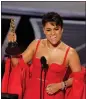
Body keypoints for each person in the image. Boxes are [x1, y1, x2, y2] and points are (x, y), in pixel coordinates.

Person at [2, 12, 85, 99]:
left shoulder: (70, 53)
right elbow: (17, 65)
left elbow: (78, 79)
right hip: (31, 95)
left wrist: (61, 85)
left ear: (61, 29)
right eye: (49, 30)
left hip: (54, 96)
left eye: (56, 29)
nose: (53, 33)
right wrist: (12, 44)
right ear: (44, 31)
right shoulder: (36, 45)